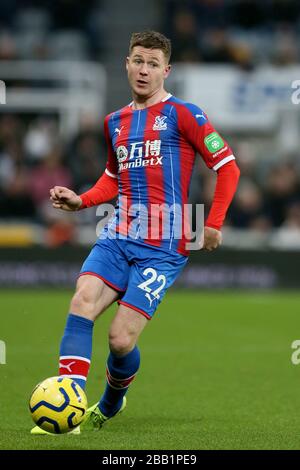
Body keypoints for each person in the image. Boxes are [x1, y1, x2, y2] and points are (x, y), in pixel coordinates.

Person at [31, 30, 240, 434]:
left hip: (163, 246)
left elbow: (227, 167)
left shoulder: (186, 114)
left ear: (167, 70)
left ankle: (110, 403)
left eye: (153, 64)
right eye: (138, 61)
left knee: (121, 341)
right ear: (126, 64)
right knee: (82, 302)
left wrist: (212, 223)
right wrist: (82, 201)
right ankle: (69, 410)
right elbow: (113, 178)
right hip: (118, 234)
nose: (144, 70)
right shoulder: (114, 122)